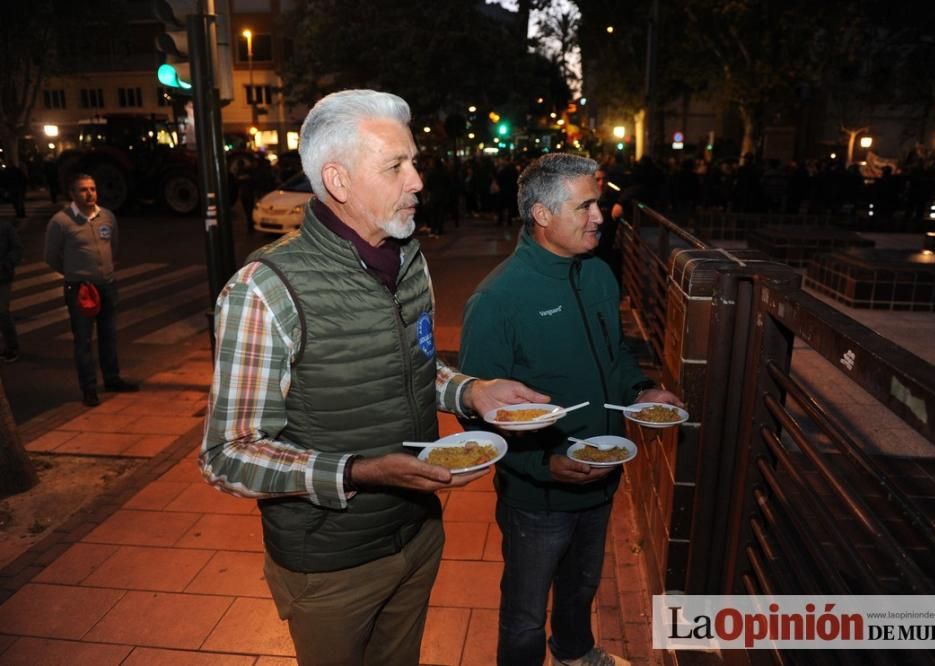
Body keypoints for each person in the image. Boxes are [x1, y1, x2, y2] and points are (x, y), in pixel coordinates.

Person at [199, 89, 548, 666]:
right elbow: (227, 454)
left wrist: (471, 391)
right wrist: (361, 472)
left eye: (413, 162)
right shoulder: (264, 289)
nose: (417, 181)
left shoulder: (410, 259)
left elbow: (417, 363)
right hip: (329, 566)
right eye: (396, 167)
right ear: (337, 180)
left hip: (417, 536)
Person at [459, 153, 681, 666]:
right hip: (536, 496)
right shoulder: (497, 299)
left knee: (582, 586)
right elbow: (475, 415)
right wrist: (543, 464)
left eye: (597, 203)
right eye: (585, 206)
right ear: (542, 214)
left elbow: (616, 355)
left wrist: (643, 390)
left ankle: (576, 653)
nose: (599, 216)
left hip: (602, 472)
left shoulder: (599, 274)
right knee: (525, 613)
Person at [44, 174, 139, 406]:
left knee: (109, 335)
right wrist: (75, 274)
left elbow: (113, 246)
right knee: (84, 340)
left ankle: (112, 378)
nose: (90, 194)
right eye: (83, 190)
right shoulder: (61, 222)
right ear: (73, 194)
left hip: (106, 284)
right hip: (80, 288)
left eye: (93, 189)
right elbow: (51, 257)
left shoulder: (107, 216)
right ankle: (88, 388)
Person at [0, 219, 22, 362]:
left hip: (2, 277)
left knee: (2, 312)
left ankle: (12, 347)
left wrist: (6, 265)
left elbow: (17, 249)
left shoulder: (5, 228)